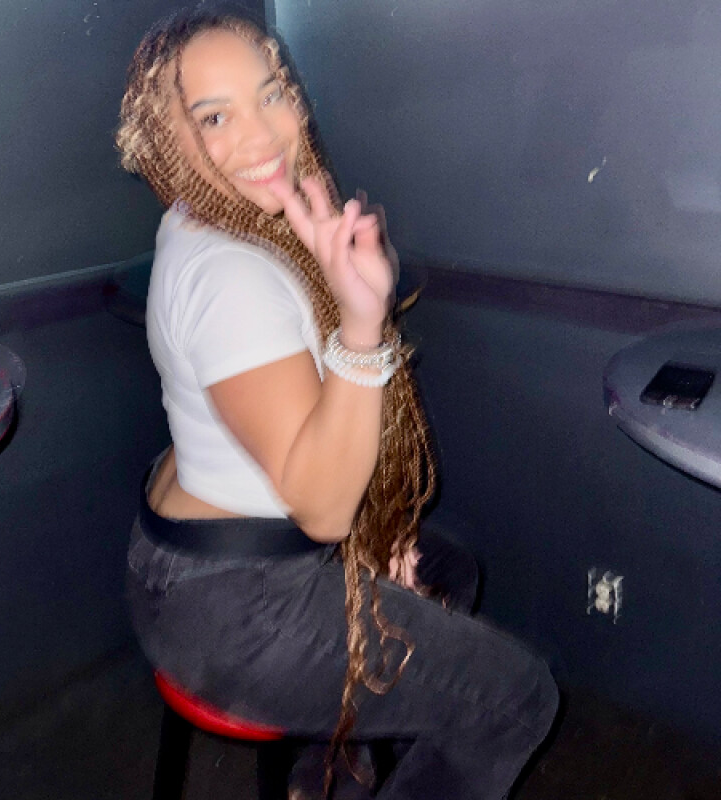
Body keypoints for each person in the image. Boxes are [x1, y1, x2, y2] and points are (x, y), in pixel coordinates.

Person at [117, 10, 558, 799]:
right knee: (518, 701)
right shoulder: (232, 278)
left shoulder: (202, 214)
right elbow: (323, 510)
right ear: (165, 139)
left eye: (271, 94)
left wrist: (374, 538)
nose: (263, 136)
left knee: (448, 569)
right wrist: (362, 323)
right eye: (214, 117)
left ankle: (325, 776)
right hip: (238, 609)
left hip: (181, 563)